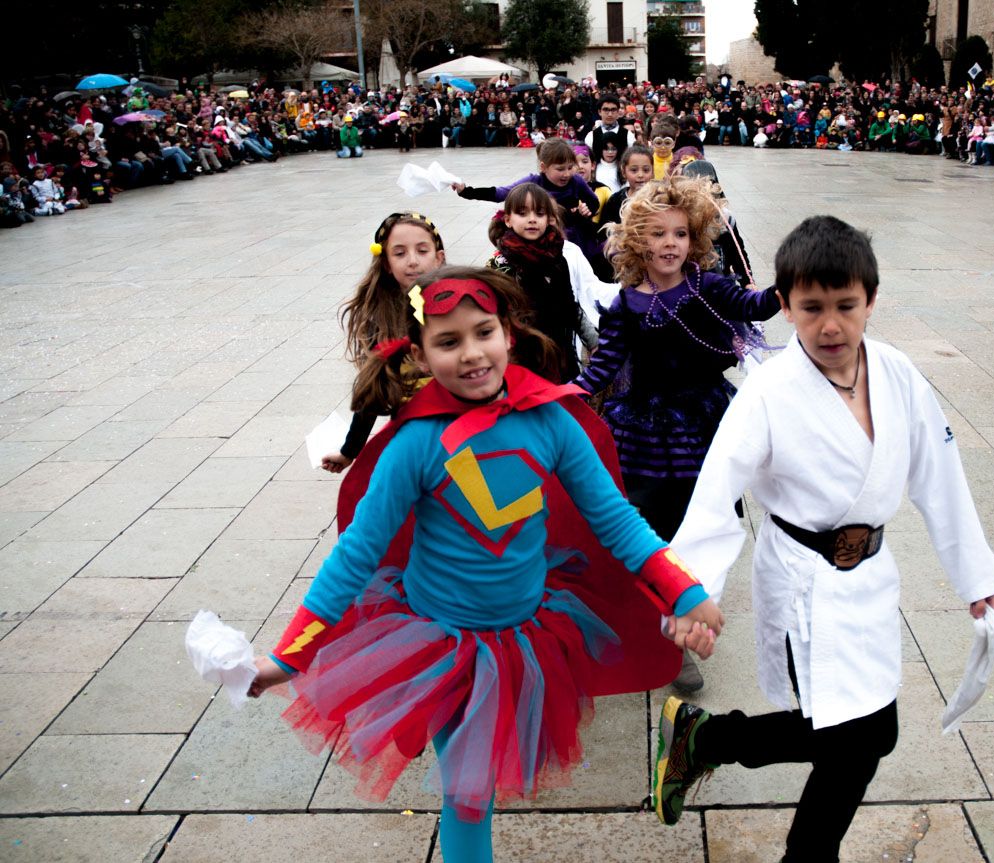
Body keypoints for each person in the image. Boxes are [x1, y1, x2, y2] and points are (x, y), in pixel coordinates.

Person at [248, 265, 723, 863]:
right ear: (419, 354)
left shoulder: (550, 421)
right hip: (441, 647)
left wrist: (683, 590)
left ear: (508, 334)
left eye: (483, 332)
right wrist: (289, 657)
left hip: (528, 635)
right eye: (448, 341)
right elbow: (354, 557)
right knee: (469, 798)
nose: (472, 353)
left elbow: (615, 520)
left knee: (484, 785)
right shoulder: (416, 444)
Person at [652, 216, 994, 862]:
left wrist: (975, 576)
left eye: (846, 305)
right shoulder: (768, 391)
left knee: (864, 731)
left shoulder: (897, 373)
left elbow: (939, 472)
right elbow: (716, 492)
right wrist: (690, 591)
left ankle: (707, 740)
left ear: (871, 300)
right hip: (802, 581)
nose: (831, 325)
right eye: (812, 308)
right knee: (858, 739)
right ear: (785, 306)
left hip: (870, 575)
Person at [575, 175, 781, 692]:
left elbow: (754, 306)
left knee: (696, 528)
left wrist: (793, 282)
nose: (671, 244)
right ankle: (648, 619)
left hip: (702, 426)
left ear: (695, 239)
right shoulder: (627, 303)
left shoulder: (710, 287)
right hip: (642, 433)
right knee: (648, 531)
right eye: (659, 234)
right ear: (636, 241)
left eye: (681, 234)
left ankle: (679, 635)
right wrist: (558, 396)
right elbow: (601, 367)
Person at [322, 212, 447, 474]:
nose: (412, 261)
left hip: (468, 428)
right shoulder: (382, 321)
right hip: (414, 436)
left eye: (422, 251)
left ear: (439, 257)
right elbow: (374, 389)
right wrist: (349, 451)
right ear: (387, 263)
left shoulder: (461, 305)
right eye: (399, 253)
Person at [487, 182, 616, 380]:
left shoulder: (557, 256)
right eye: (522, 213)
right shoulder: (501, 264)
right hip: (523, 359)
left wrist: (593, 342)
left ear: (549, 219)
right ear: (508, 220)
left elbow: (570, 307)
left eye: (539, 213)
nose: (532, 219)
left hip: (561, 355)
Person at [453, 137, 601, 255]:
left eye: (570, 167)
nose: (567, 174)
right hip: (541, 237)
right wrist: (466, 191)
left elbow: (593, 202)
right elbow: (501, 193)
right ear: (543, 167)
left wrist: (587, 210)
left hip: (574, 237)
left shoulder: (576, 181)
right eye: (560, 169)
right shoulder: (533, 182)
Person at [595, 144, 653, 234]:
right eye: (634, 170)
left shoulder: (658, 200)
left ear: (652, 172)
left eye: (646, 170)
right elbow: (604, 232)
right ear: (623, 172)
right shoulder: (615, 201)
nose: (640, 175)